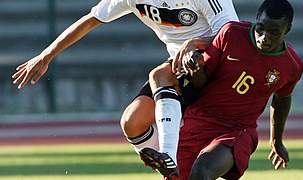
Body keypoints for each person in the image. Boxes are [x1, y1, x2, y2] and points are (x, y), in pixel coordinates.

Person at [11, 0, 239, 178]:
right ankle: (170, 164)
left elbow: (233, 34)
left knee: (160, 76)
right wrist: (46, 55)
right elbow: (91, 19)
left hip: (216, 66)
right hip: (180, 66)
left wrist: (196, 43)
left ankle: (170, 155)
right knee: (132, 122)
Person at [140, 0, 303, 179]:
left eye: (274, 33)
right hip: (198, 121)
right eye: (261, 28)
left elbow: (282, 99)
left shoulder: (292, 65)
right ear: (256, 20)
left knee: (201, 173)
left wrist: (277, 141)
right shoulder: (231, 33)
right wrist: (195, 67)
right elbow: (201, 82)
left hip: (237, 130)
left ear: (287, 30)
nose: (264, 37)